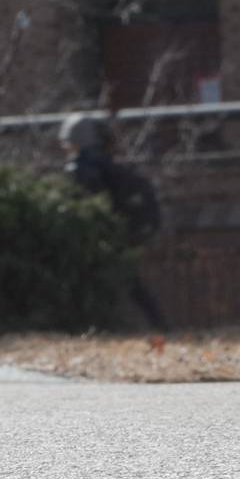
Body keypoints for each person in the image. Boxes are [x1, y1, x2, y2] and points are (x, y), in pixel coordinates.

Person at [60, 113, 170, 331]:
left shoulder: (81, 167)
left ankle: (90, 326)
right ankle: (159, 324)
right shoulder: (107, 164)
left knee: (99, 281)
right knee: (130, 282)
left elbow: (87, 200)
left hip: (100, 233)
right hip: (120, 230)